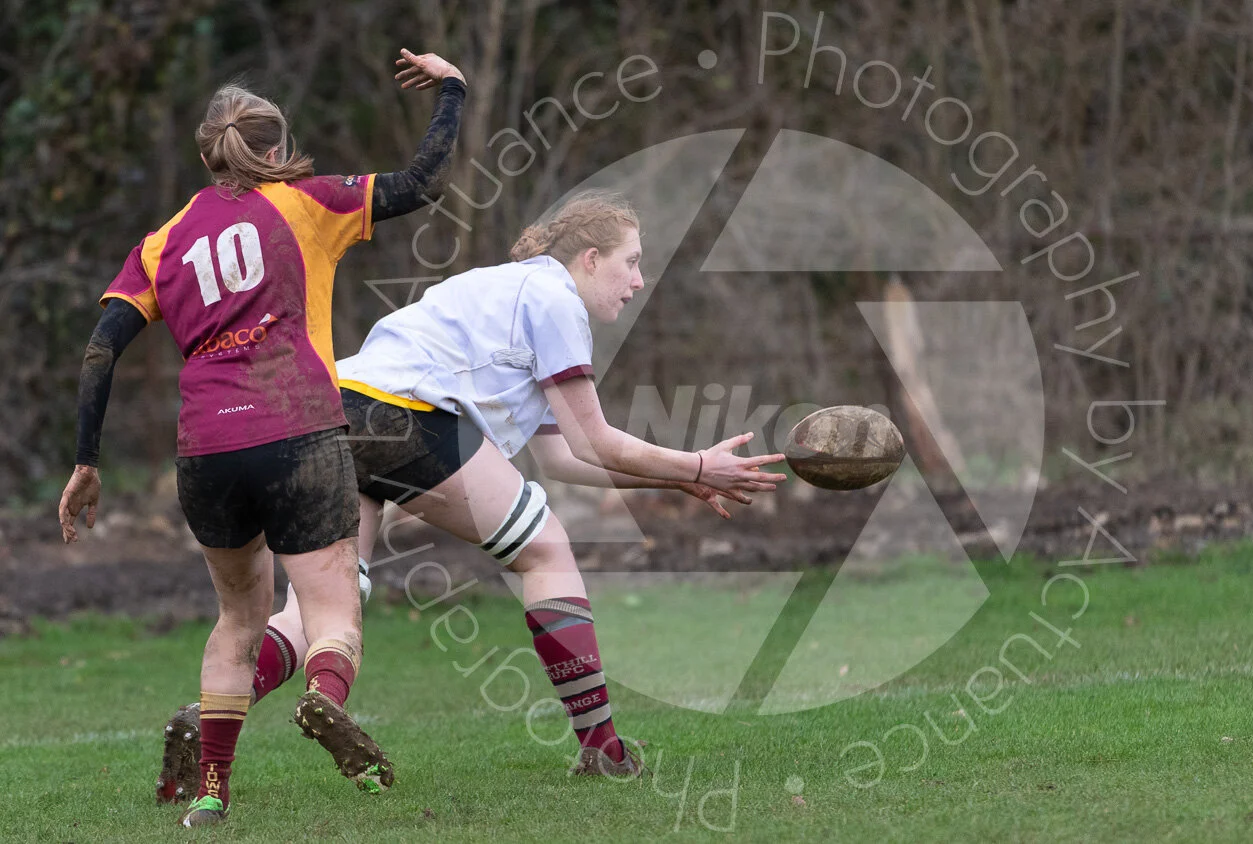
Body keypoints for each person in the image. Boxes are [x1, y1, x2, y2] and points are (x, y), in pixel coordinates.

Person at [151, 190, 785, 788]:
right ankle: (602, 750)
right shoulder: (557, 299)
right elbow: (595, 440)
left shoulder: (500, 290)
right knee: (544, 551)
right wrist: (698, 466)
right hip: (404, 418)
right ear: (589, 260)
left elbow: (562, 457)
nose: (639, 281)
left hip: (329, 409)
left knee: (326, 601)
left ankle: (210, 713)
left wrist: (679, 479)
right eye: (631, 263)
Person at [58, 49, 469, 826]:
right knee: (332, 608)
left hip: (206, 452)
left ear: (208, 152)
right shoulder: (307, 202)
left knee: (239, 621)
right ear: (274, 150)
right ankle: (322, 699)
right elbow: (422, 183)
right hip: (299, 435)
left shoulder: (162, 241)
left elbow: (100, 347)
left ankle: (212, 794)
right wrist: (451, 90)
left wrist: (86, 460)